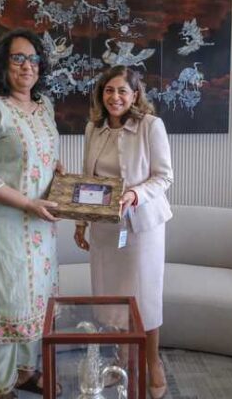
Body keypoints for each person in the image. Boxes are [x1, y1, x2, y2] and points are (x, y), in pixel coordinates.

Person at [0, 28, 62, 399]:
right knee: (9, 303)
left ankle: (25, 372)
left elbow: (41, 156)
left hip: (41, 225)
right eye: (18, 58)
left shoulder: (45, 106)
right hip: (4, 224)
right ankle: (2, 387)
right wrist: (27, 203)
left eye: (33, 58)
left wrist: (58, 173)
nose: (27, 66)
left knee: (36, 300)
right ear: (3, 64)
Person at [74, 65, 173, 399]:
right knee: (110, 298)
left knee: (145, 299)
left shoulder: (151, 126)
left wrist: (134, 194)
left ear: (135, 95)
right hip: (105, 229)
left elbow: (164, 176)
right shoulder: (93, 128)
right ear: (101, 94)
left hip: (142, 228)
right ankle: (121, 361)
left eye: (122, 91)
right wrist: (80, 222)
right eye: (108, 90)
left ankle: (153, 364)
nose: (114, 97)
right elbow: (88, 180)